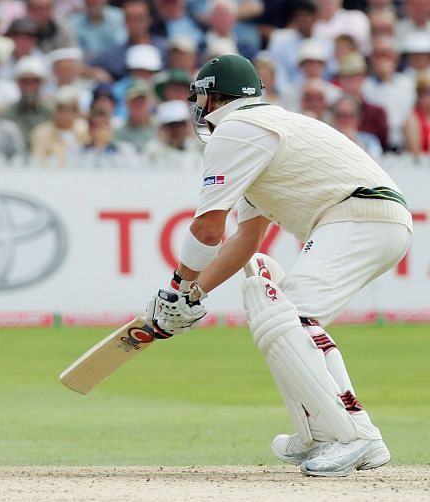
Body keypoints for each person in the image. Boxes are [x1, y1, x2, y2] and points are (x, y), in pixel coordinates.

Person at [145, 54, 411, 477]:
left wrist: (176, 287)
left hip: (359, 214)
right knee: (283, 317)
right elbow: (246, 239)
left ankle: (358, 437)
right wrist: (193, 296)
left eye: (200, 98)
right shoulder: (261, 132)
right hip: (365, 216)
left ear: (212, 98)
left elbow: (209, 228)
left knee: (294, 317)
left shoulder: (235, 131)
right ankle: (320, 434)